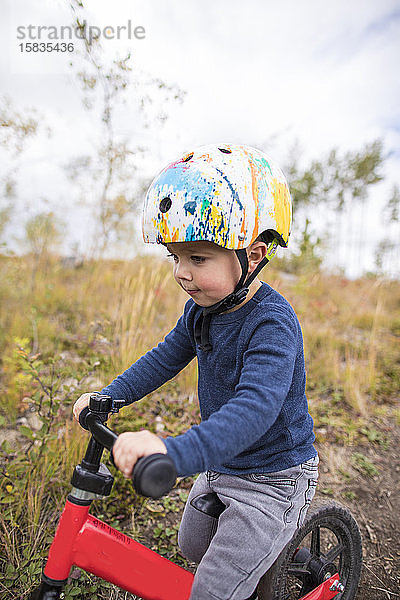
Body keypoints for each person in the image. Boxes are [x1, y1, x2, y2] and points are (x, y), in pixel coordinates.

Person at [73, 144, 319, 600]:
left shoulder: (272, 323)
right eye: (175, 258)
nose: (182, 274)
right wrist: (110, 397)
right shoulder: (200, 311)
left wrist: (172, 451)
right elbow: (164, 358)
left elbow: (255, 409)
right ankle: (269, 553)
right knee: (192, 544)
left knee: (213, 588)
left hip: (273, 475)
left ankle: (282, 536)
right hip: (224, 463)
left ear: (254, 252)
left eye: (198, 259)